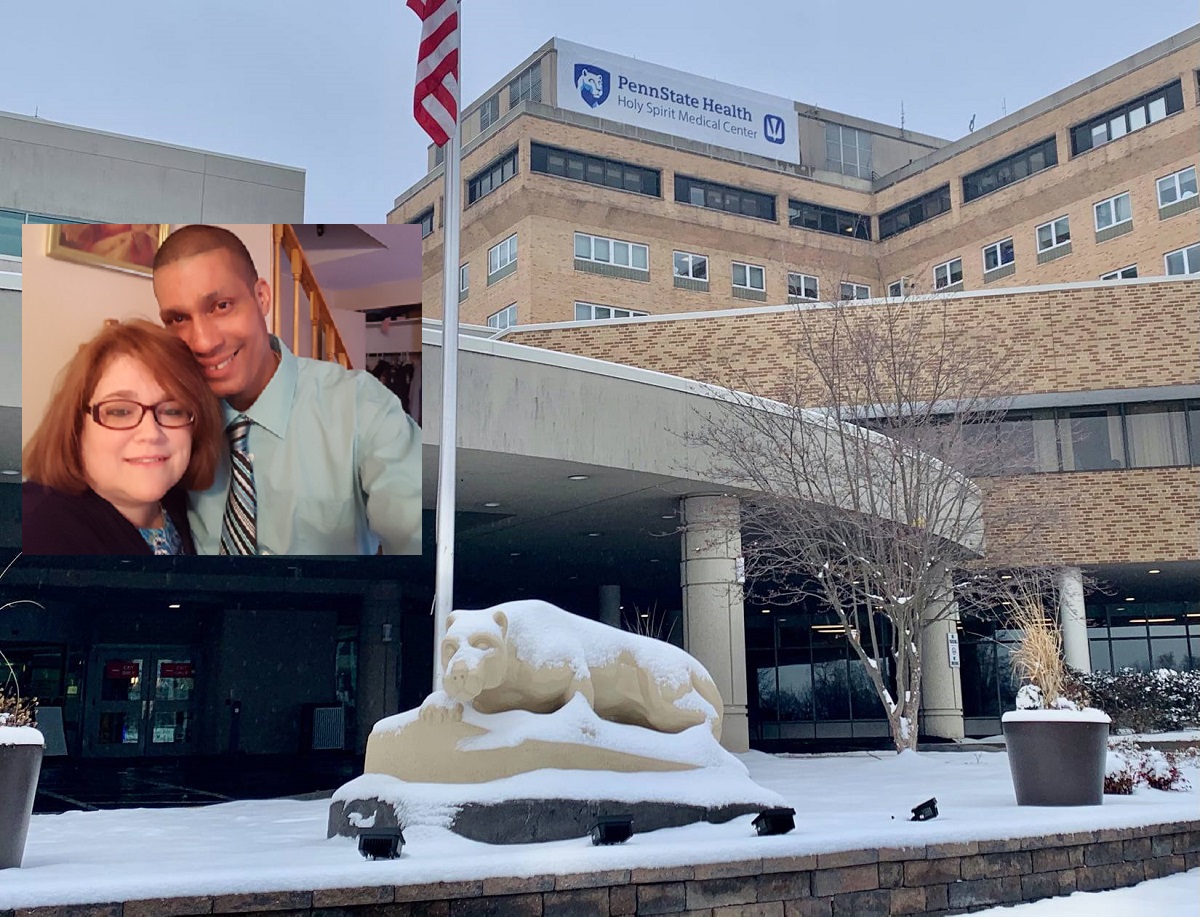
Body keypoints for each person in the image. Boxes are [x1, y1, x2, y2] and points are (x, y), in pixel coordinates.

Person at [151, 224, 422, 555]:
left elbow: (417, 538)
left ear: (262, 297)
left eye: (222, 306)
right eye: (179, 319)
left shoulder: (361, 407)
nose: (204, 342)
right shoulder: (167, 420)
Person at [22, 320, 224, 555]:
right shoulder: (38, 531)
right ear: (76, 425)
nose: (151, 434)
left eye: (172, 410)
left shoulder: (181, 503)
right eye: (120, 411)